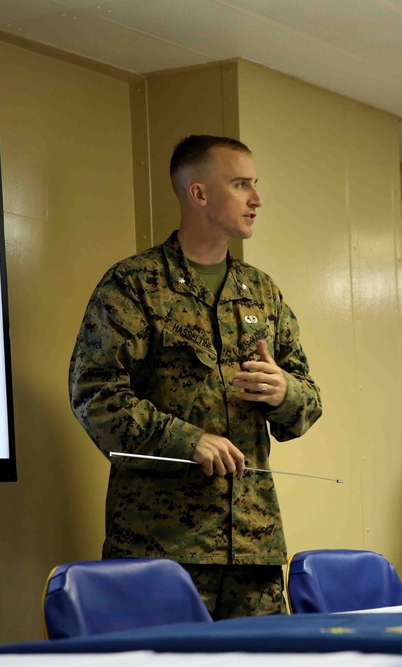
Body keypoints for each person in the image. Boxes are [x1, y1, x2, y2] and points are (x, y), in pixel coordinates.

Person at [69, 135, 322, 620]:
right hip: (161, 549)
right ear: (199, 194)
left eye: (255, 184)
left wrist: (286, 393)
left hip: (254, 548)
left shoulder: (262, 293)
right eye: (241, 184)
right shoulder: (134, 284)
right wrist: (188, 440)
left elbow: (305, 404)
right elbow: (95, 395)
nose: (257, 199)